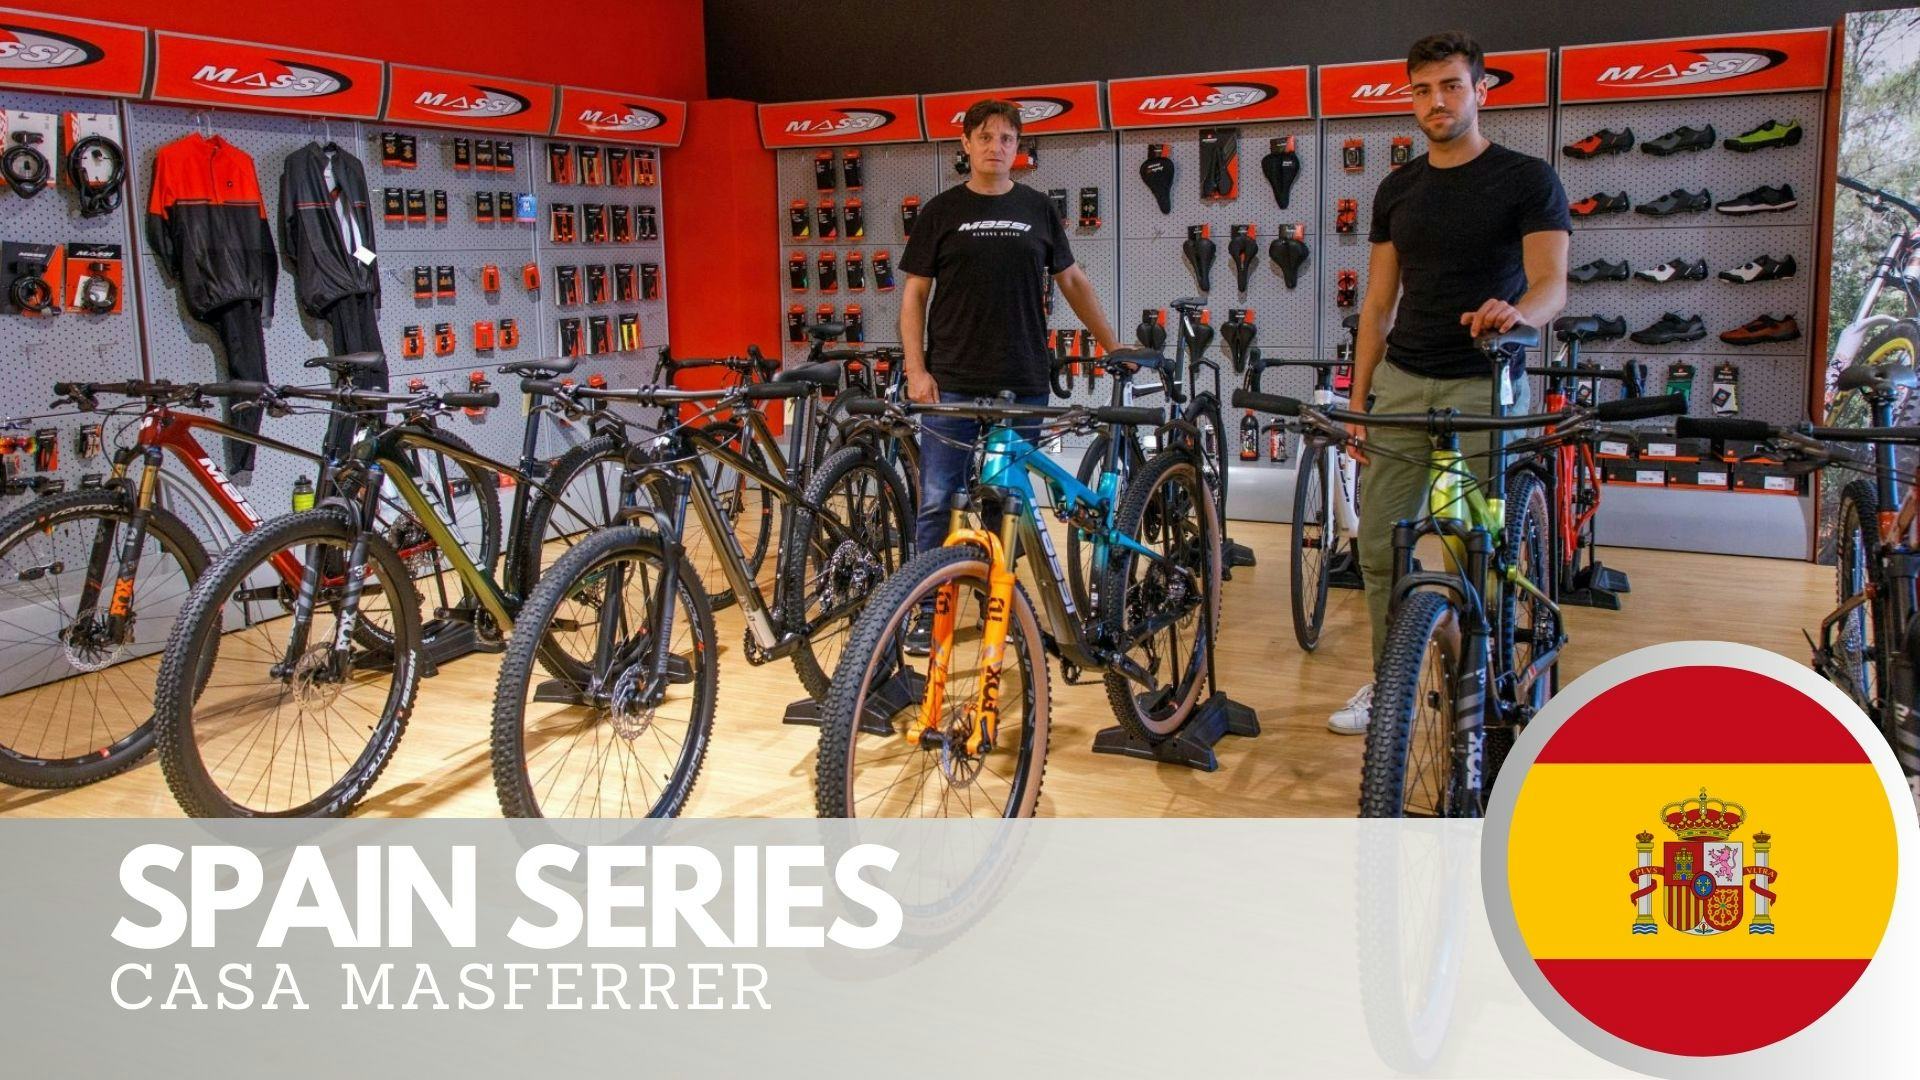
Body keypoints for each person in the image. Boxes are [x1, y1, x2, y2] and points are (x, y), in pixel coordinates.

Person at [1329, 30, 1570, 734]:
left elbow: (1553, 285)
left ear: (1481, 91)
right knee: (1380, 546)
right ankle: (1390, 679)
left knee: (1479, 553)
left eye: (1451, 86)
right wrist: (1356, 400)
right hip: (1404, 382)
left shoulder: (1527, 179)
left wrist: (1517, 314)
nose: (1436, 102)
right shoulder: (1397, 187)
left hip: (1483, 384)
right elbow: (1378, 305)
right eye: (1423, 89)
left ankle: (1486, 689)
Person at [897, 98, 1121, 652]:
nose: (996, 147)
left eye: (1007, 139)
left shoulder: (1039, 209)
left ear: (1017, 149)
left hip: (1022, 378)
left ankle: (998, 600)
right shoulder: (940, 212)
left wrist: (1113, 345)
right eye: (986, 137)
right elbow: (914, 296)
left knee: (1007, 501)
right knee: (938, 497)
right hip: (951, 379)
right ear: (966, 145)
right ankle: (927, 608)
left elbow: (1073, 283)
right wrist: (916, 368)